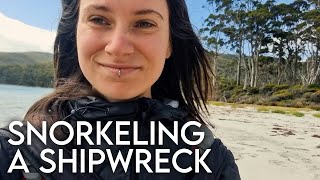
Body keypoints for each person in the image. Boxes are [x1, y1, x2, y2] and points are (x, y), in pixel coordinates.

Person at [0, 0, 241, 179]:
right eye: (99, 20)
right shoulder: (15, 151)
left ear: (170, 43)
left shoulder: (211, 162)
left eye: (144, 23)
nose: (118, 47)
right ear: (74, 33)